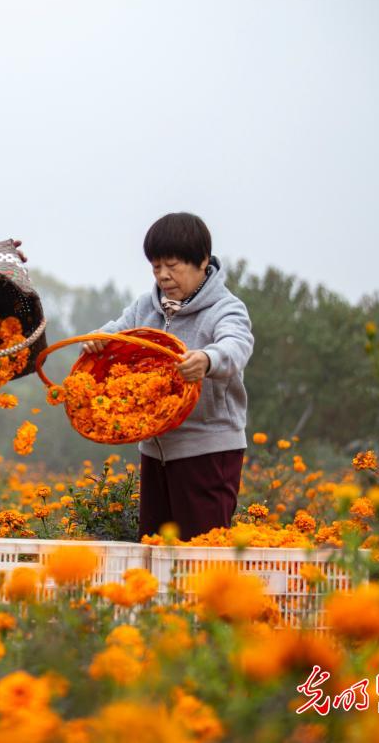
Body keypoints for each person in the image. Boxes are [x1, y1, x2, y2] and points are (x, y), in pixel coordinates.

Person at [84, 212, 253, 541]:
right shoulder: (146, 307)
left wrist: (207, 359)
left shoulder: (225, 308)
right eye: (156, 267)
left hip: (207, 450)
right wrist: (96, 339)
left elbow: (236, 345)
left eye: (172, 266)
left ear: (202, 261)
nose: (163, 275)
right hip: (155, 450)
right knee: (155, 547)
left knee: (201, 553)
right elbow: (117, 332)